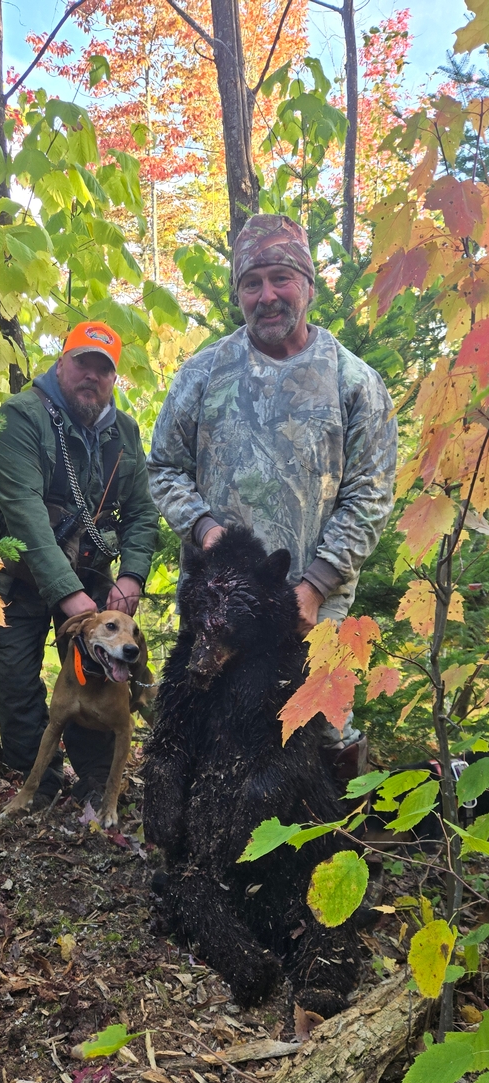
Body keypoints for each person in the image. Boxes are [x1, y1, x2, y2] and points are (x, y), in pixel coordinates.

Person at [147, 214, 398, 775]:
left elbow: (371, 495)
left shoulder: (353, 382)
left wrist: (316, 585)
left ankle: (338, 831)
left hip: (316, 603)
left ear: (307, 284)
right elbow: (162, 467)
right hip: (220, 605)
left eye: (280, 278)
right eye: (251, 282)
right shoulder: (202, 374)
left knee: (325, 729)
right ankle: (203, 834)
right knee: (208, 726)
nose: (267, 296)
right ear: (238, 292)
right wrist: (204, 529)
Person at [0, 320, 158, 807]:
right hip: (16, 583)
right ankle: (37, 789)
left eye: (104, 369)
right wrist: (68, 593)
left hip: (90, 580)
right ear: (61, 363)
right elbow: (25, 516)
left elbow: (142, 513)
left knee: (98, 679)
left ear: (113, 378)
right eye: (83, 362)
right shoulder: (20, 416)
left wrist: (132, 575)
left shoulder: (124, 432)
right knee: (17, 688)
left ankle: (98, 785)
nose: (91, 376)